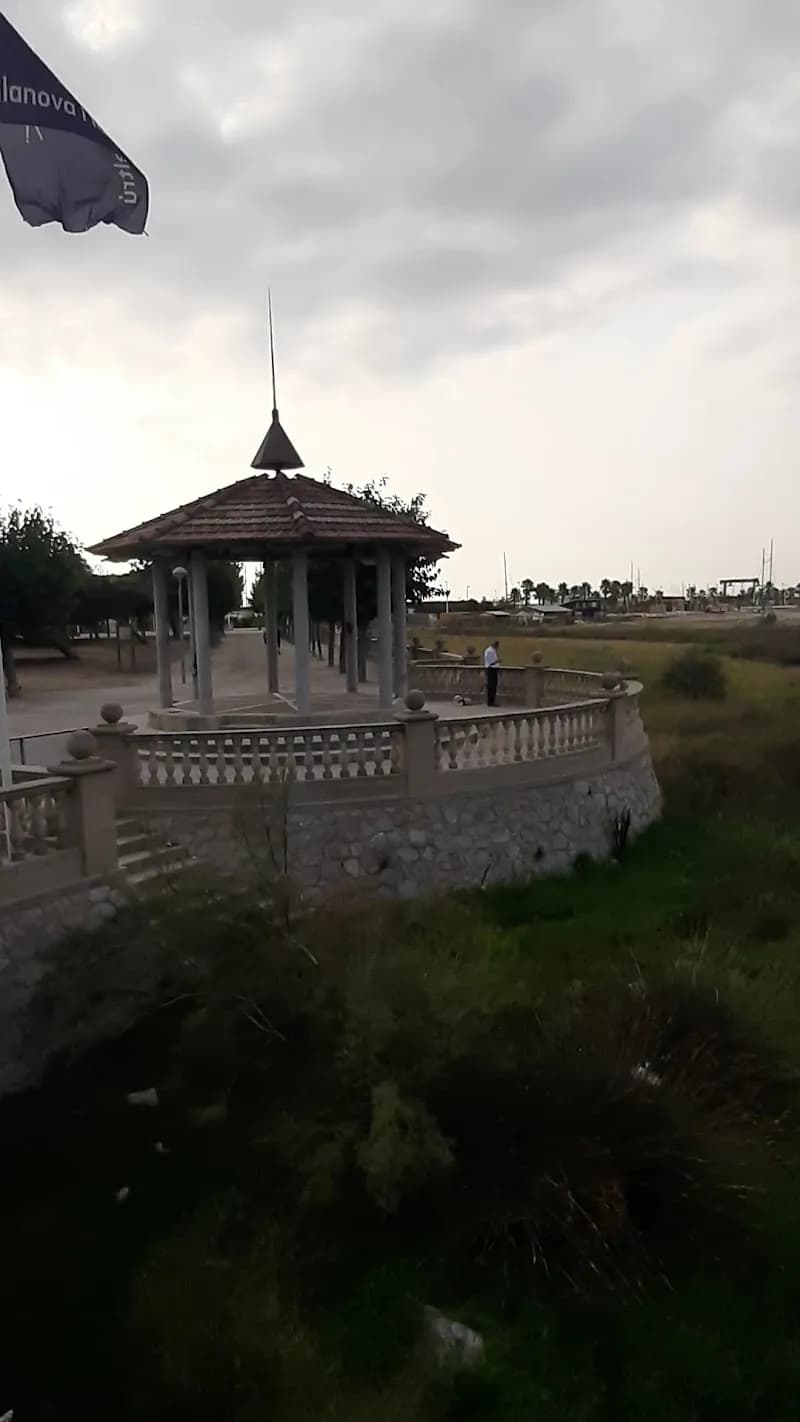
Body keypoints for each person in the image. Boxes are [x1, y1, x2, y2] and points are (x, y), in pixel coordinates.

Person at [484, 640, 500, 706]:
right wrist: (498, 661)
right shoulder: (490, 651)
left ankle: (491, 701)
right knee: (492, 686)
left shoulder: (491, 650)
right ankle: (490, 702)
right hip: (491, 669)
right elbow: (490, 662)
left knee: (492, 686)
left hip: (492, 669)